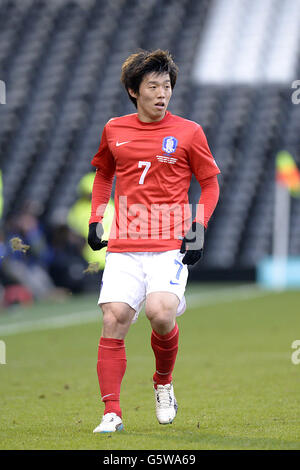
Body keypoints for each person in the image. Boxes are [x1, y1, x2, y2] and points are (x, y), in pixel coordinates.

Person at [87, 49, 220, 433]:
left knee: (161, 314)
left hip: (168, 242)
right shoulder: (114, 129)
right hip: (126, 243)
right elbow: (102, 177)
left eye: (167, 86)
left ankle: (163, 382)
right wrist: (98, 218)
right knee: (114, 318)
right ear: (133, 90)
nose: (162, 94)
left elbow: (209, 183)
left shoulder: (189, 131)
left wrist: (199, 225)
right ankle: (112, 412)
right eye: (153, 86)